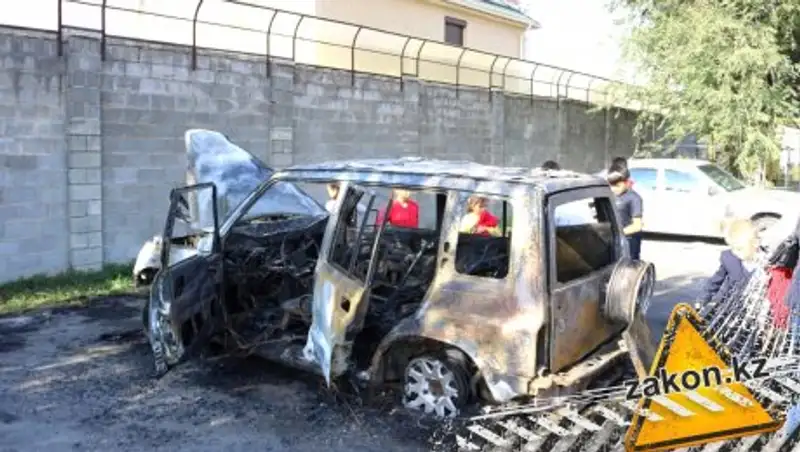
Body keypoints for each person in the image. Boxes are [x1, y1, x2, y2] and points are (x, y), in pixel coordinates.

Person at [696, 219, 759, 307]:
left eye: (739, 249)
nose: (735, 252)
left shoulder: (765, 263)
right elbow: (715, 281)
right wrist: (702, 300)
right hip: (728, 304)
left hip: (752, 306)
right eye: (732, 248)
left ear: (755, 243)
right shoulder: (729, 259)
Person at [607, 165, 644, 260]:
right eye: (611, 185)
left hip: (629, 241)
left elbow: (637, 226)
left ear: (626, 182)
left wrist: (617, 233)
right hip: (614, 240)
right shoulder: (610, 195)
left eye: (617, 186)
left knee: (628, 266)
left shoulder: (634, 198)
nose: (613, 189)